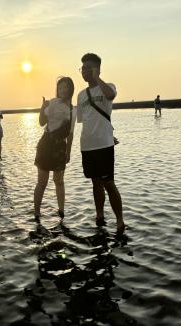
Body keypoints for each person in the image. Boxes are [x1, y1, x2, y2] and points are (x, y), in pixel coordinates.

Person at [77, 53, 125, 234]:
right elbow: (84, 120)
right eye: (83, 68)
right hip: (87, 145)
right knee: (95, 183)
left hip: (103, 146)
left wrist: (97, 78)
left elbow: (111, 95)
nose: (85, 71)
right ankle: (99, 215)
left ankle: (120, 221)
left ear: (97, 69)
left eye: (89, 68)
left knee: (109, 183)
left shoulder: (108, 87)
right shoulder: (81, 95)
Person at [34, 77, 76, 219]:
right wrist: (42, 108)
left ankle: (61, 211)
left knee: (59, 181)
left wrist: (68, 152)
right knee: (42, 182)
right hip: (46, 144)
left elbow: (70, 134)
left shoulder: (72, 110)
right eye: (60, 87)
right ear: (57, 90)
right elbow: (41, 122)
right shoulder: (52, 103)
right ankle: (37, 212)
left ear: (71, 89)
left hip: (60, 147)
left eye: (66, 87)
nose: (63, 90)